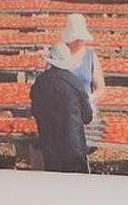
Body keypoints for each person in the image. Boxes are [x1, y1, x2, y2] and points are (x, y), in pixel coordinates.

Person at [30, 44, 94, 173]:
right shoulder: (75, 83)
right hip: (73, 146)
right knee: (76, 179)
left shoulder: (40, 82)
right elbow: (87, 117)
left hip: (49, 144)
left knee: (54, 178)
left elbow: (35, 111)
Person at [58, 13, 106, 107]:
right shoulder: (57, 56)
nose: (79, 42)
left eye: (81, 39)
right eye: (76, 39)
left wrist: (91, 97)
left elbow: (100, 88)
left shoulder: (90, 56)